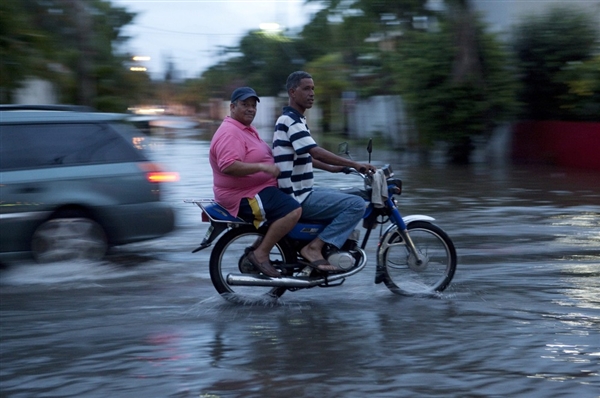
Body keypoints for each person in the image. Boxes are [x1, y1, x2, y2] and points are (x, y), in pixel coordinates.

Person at [273, 71, 376, 272]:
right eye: (306, 89)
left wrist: (332, 168)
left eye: (313, 89)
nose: (312, 93)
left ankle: (327, 245)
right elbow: (315, 151)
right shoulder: (290, 120)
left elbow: (304, 156)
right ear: (292, 92)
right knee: (356, 204)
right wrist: (355, 164)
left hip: (303, 190)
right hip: (297, 196)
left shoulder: (297, 120)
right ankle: (314, 248)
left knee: (347, 194)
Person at [209, 87, 302, 278]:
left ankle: (258, 247)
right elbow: (229, 166)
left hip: (256, 189)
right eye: (245, 105)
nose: (251, 109)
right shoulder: (230, 132)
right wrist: (263, 167)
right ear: (232, 107)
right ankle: (260, 254)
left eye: (253, 105)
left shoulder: (246, 129)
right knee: (293, 210)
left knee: (289, 203)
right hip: (244, 195)